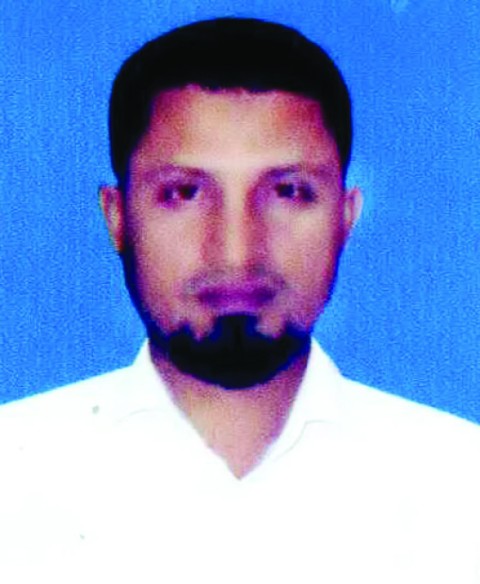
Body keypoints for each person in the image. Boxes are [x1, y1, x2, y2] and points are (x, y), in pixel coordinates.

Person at [1, 17, 479, 584]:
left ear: (345, 218)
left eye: (288, 191)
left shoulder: (461, 486)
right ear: (118, 217)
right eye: (183, 192)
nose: (236, 251)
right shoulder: (14, 473)